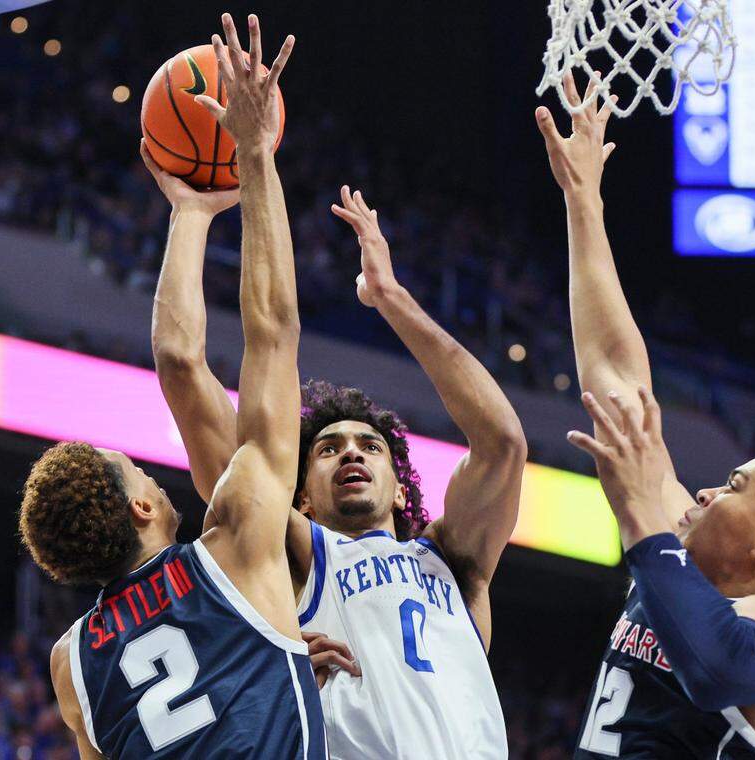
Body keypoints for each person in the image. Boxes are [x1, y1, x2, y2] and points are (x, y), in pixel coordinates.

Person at [150, 120, 526, 760]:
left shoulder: (455, 563)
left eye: (369, 446)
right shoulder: (292, 550)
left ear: (398, 479)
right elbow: (182, 366)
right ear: (299, 494)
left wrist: (391, 297)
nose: (351, 451)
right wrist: (191, 213)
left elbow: (503, 442)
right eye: (327, 449)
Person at [535, 73, 755, 758]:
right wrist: (583, 203)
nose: (709, 490)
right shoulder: (676, 550)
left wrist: (639, 520)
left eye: (736, 488)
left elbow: (717, 667)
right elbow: (614, 371)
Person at [19, 15, 328, 758]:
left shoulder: (71, 668)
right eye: (141, 471)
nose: (152, 474)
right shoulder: (241, 538)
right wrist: (250, 160)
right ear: (144, 505)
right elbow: (259, 337)